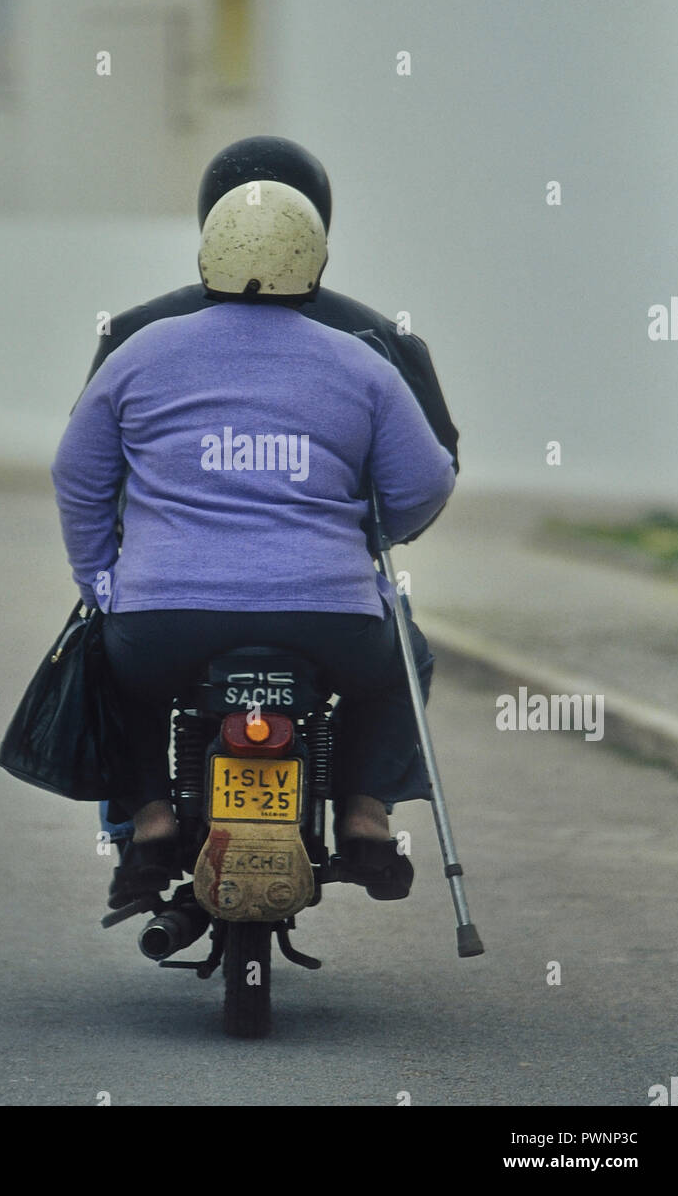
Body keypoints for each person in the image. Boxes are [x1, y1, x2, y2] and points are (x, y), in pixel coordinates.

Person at [51, 137, 457, 905]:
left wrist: (99, 578)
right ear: (318, 255)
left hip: (165, 614)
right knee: (403, 655)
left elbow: (78, 474)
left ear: (208, 247)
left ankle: (147, 822)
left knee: (113, 668)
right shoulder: (364, 359)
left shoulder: (140, 349)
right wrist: (368, 538)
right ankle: (366, 816)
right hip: (329, 616)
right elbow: (428, 479)